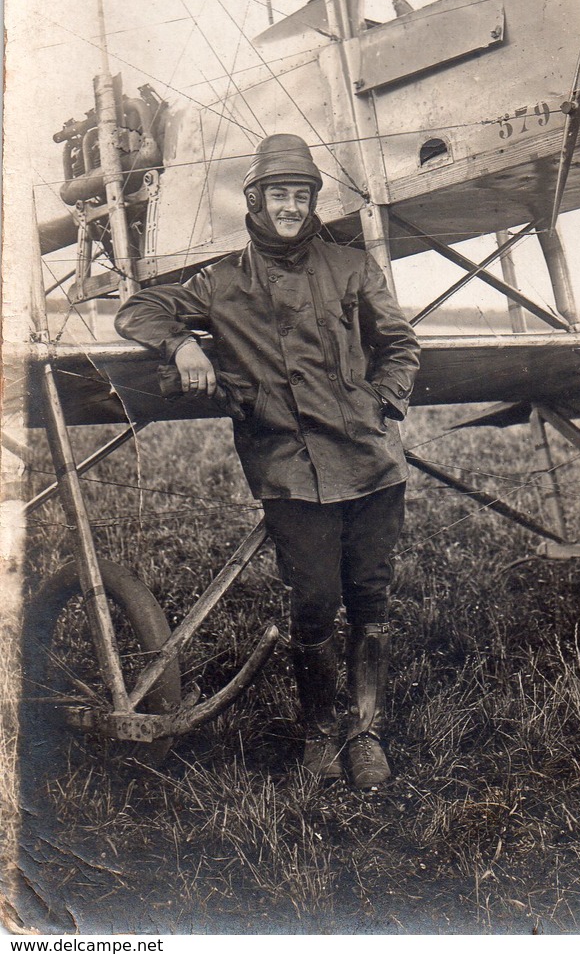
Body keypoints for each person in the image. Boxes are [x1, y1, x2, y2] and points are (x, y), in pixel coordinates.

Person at [115, 134, 421, 788]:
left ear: (312, 201)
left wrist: (384, 407)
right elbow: (137, 308)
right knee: (313, 602)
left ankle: (363, 732)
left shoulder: (351, 265)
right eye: (278, 195)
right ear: (256, 201)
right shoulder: (222, 281)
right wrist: (181, 346)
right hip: (290, 467)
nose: (289, 206)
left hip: (371, 462)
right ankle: (319, 735)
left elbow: (400, 343)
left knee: (370, 600)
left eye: (300, 195)